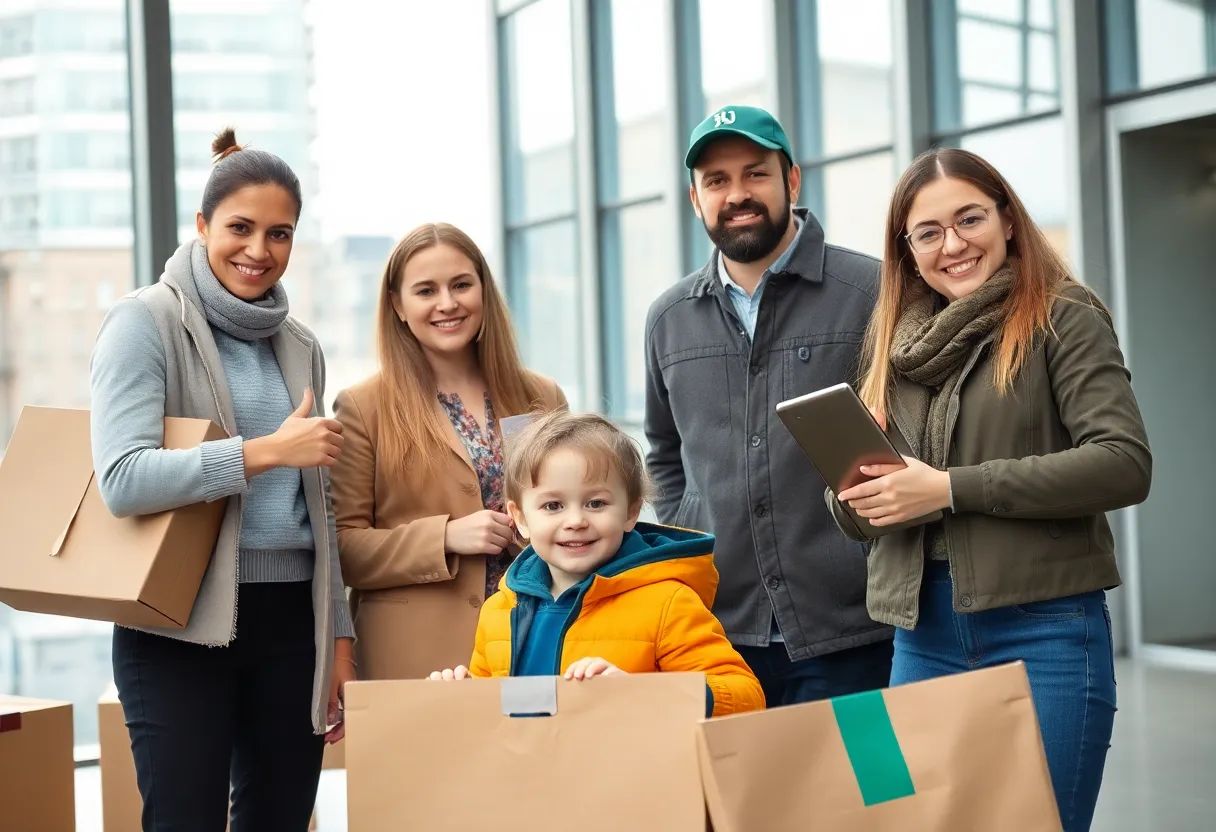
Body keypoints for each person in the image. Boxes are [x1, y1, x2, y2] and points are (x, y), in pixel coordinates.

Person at [830, 147, 1151, 831]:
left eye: (969, 218)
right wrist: (853, 489)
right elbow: (864, 516)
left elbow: (1124, 463)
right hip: (921, 635)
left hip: (1047, 630)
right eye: (928, 232)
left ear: (1007, 220)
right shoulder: (892, 346)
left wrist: (949, 489)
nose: (953, 245)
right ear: (907, 249)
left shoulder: (1063, 316)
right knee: (903, 820)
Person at [90, 128, 354, 831]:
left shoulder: (299, 345)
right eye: (240, 228)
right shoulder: (144, 322)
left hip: (292, 623)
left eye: (280, 233)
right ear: (202, 225)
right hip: (177, 625)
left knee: (280, 820)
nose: (258, 251)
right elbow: (122, 479)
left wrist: (340, 638)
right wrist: (262, 453)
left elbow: (318, 506)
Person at [644, 104, 891, 706]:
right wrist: (691, 528)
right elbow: (664, 451)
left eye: (755, 173)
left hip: (854, 630)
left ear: (792, 180)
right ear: (695, 199)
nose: (737, 194)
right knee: (747, 799)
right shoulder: (669, 319)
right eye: (717, 181)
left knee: (874, 791)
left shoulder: (871, 293)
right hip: (720, 638)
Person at [330, 223, 566, 681]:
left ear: (484, 290)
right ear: (398, 305)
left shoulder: (542, 395)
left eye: (461, 284)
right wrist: (444, 538)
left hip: (534, 643)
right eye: (426, 290)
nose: (448, 303)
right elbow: (341, 549)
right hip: (418, 657)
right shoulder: (364, 407)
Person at [429, 411, 764, 717]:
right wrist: (466, 695)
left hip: (626, 781)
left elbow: (746, 695)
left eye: (595, 503)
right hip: (531, 781)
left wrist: (642, 692)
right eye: (553, 506)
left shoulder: (667, 603)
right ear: (520, 518)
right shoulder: (499, 611)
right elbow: (495, 716)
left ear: (631, 511)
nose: (575, 520)